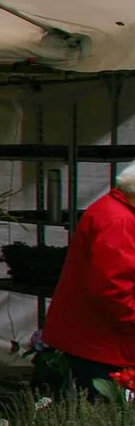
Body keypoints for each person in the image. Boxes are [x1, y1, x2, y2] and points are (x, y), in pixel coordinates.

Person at [42, 164, 135, 390]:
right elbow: (113, 290)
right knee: (108, 412)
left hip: (96, 339)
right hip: (104, 343)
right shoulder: (119, 222)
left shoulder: (114, 210)